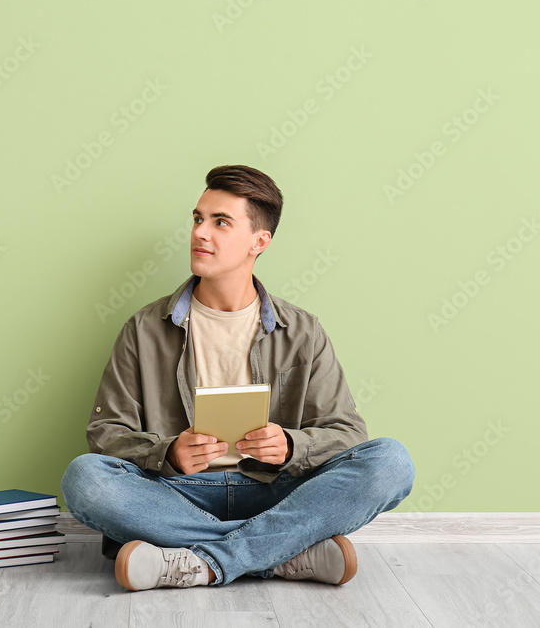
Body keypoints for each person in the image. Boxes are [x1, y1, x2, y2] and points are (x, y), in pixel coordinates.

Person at [60, 165, 415, 591]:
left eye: (220, 222)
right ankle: (281, 555)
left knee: (391, 461)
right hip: (177, 494)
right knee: (84, 479)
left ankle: (201, 562)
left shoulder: (302, 331)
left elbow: (348, 433)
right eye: (197, 218)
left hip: (278, 492)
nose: (200, 233)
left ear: (259, 241)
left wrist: (290, 446)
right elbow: (105, 432)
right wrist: (167, 453)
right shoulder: (145, 328)